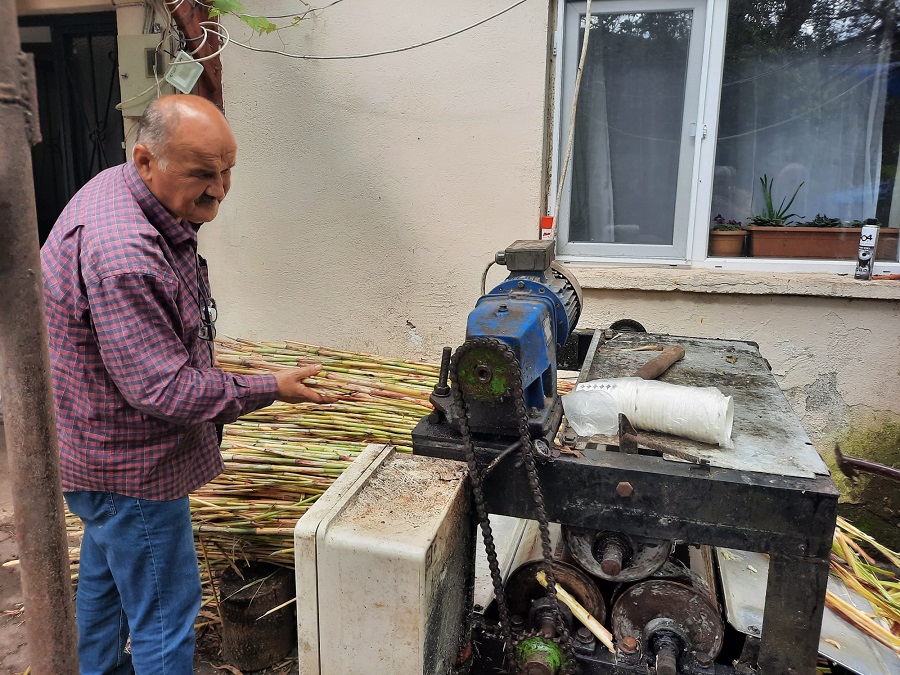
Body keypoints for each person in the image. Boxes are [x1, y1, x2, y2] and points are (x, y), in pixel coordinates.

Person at [40, 94, 333, 675]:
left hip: (92, 458)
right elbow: (164, 391)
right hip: (133, 472)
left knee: (103, 597)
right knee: (167, 619)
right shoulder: (125, 251)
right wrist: (269, 386)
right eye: (203, 173)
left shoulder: (120, 186)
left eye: (228, 171)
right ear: (147, 159)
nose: (220, 189)